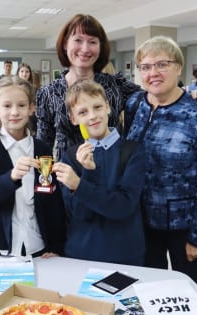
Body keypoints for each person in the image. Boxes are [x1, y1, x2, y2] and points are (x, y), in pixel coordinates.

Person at [36, 14, 197, 160]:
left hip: (112, 176)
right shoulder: (48, 94)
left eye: (92, 42)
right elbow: (43, 146)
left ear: (100, 47)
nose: (85, 48)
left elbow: (153, 95)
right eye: (78, 40)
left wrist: (186, 92)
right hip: (67, 178)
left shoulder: (115, 85)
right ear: (66, 44)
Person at [124, 36, 197, 291]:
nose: (152, 73)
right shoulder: (136, 105)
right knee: (146, 289)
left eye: (162, 64)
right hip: (143, 224)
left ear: (179, 67)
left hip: (185, 227)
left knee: (188, 292)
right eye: (145, 67)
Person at [0, 76, 66, 259]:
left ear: (31, 108)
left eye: (21, 105)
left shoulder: (41, 148)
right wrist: (11, 177)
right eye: (7, 106)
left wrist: (56, 246)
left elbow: (51, 200)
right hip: (0, 248)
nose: (14, 112)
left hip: (39, 246)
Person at [52, 79, 145, 265]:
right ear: (73, 119)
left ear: (108, 107)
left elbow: (123, 207)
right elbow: (78, 215)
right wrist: (88, 173)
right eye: (83, 112)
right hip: (81, 255)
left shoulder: (132, 151)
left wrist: (79, 184)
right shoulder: (70, 157)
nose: (92, 116)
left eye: (97, 107)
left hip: (125, 256)